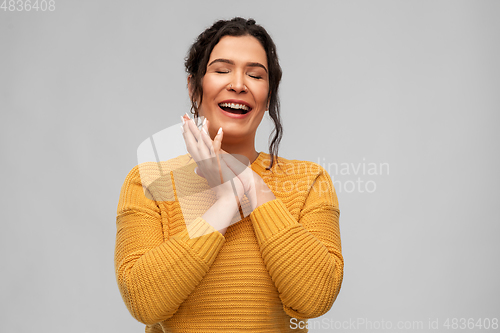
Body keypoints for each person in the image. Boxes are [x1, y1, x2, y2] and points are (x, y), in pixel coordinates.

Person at [115, 17, 343, 333]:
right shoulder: (148, 181)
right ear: (195, 88)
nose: (238, 84)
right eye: (222, 70)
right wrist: (225, 201)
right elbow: (144, 302)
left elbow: (315, 298)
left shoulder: (309, 181)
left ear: (268, 96)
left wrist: (250, 183)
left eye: (255, 75)